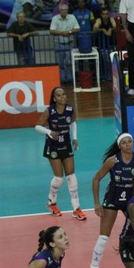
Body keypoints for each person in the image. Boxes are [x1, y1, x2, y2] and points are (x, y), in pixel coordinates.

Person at [87, 133, 134, 268]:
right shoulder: (112, 161)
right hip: (112, 200)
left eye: (130, 142)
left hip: (130, 202)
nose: (128, 144)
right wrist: (97, 203)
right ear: (120, 146)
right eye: (124, 142)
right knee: (103, 237)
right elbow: (96, 179)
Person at [35, 86, 86, 220]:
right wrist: (49, 132)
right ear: (54, 98)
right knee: (59, 178)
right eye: (59, 95)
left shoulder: (70, 109)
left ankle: (76, 208)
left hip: (66, 144)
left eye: (63, 94)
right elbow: (37, 126)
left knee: (71, 177)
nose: (62, 97)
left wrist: (74, 138)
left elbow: (73, 123)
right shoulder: (49, 111)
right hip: (53, 146)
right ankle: (51, 203)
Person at [49, 4, 79, 83]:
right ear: (59, 11)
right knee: (60, 63)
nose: (64, 11)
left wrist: (69, 32)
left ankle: (70, 79)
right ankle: (62, 80)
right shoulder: (55, 18)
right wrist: (62, 33)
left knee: (69, 62)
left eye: (65, 10)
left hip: (70, 43)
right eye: (62, 10)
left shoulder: (72, 17)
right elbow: (51, 31)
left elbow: (77, 28)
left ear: (67, 10)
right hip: (58, 43)